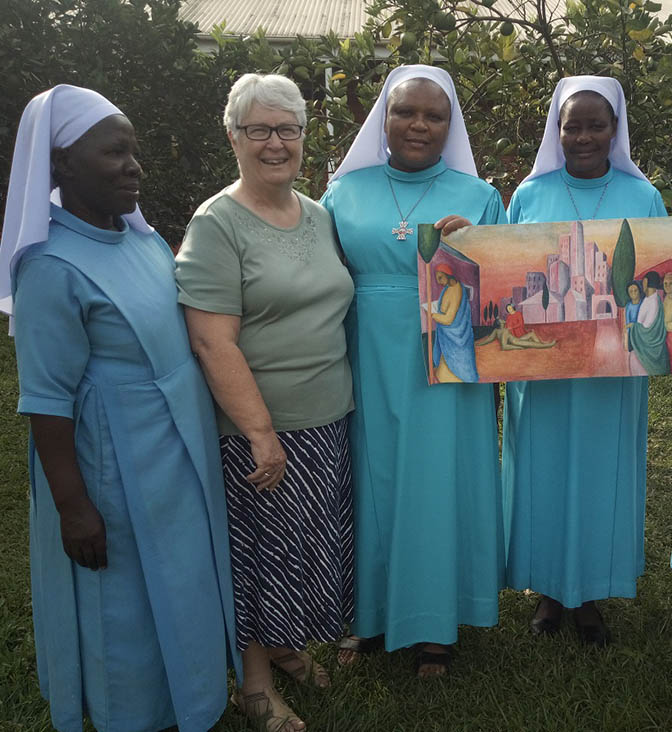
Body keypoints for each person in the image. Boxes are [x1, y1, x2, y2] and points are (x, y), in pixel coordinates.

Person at [1, 85, 238, 732]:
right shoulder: (49, 266)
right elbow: (46, 402)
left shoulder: (140, 241)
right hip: (112, 461)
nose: (134, 165)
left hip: (174, 448)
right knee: (124, 598)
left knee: (183, 576)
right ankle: (130, 713)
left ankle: (188, 699)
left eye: (133, 151)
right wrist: (74, 507)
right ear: (60, 164)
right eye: (114, 153)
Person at [503, 75, 672, 645]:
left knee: (600, 473)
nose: (584, 136)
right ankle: (546, 590)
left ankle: (590, 594)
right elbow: (509, 272)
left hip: (614, 372)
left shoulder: (643, 196)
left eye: (597, 125)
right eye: (573, 126)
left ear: (616, 129)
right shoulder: (528, 194)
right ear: (556, 130)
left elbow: (664, 266)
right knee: (544, 470)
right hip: (546, 372)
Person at [175, 74, 355, 732]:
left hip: (329, 418)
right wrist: (258, 431)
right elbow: (211, 341)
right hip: (261, 426)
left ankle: (286, 648)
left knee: (307, 545)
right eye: (260, 130)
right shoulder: (216, 223)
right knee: (262, 553)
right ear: (234, 137)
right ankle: (253, 685)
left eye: (289, 129)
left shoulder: (318, 213)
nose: (276, 143)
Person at [319, 65, 505, 677]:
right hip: (362, 349)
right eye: (405, 112)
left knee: (435, 478)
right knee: (369, 477)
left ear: (450, 126)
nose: (418, 125)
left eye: (434, 115)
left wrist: (476, 249)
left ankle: (433, 625)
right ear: (383, 118)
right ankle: (368, 614)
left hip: (446, 353)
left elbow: (508, 299)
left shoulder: (479, 196)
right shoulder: (343, 191)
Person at [430, 263, 478, 382]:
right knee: (442, 372)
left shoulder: (456, 291)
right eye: (437, 278)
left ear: (448, 275)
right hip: (446, 335)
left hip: (455, 335)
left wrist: (432, 314)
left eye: (440, 277)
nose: (438, 281)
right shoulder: (448, 288)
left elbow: (449, 319)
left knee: (455, 374)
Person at [629, 271, 668, 376]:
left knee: (633, 358)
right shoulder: (650, 298)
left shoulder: (653, 301)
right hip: (645, 341)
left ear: (646, 282)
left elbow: (647, 329)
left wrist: (633, 326)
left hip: (649, 346)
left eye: (643, 282)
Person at [476, 303, 556, 350]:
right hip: (514, 337)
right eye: (508, 309)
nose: (509, 309)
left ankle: (542, 345)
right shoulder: (507, 321)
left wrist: (511, 327)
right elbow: (497, 341)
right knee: (530, 341)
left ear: (513, 307)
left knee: (532, 335)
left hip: (518, 334)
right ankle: (544, 346)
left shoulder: (518, 314)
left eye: (510, 308)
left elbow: (520, 324)